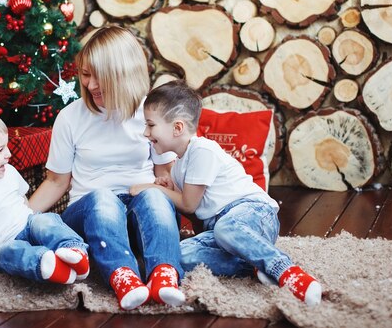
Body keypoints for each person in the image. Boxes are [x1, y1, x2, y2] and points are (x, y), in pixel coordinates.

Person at [28, 26, 185, 310]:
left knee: (153, 196)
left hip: (139, 213)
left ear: (123, 73)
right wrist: (19, 219)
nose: (89, 85)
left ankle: (165, 274)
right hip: (90, 214)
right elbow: (55, 182)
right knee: (103, 198)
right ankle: (122, 276)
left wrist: (171, 193)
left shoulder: (150, 114)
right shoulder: (70, 118)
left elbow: (165, 175)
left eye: (99, 76)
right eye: (85, 74)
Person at [132, 80, 323, 306]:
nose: (145, 132)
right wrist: (169, 187)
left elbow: (189, 205)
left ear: (177, 128)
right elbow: (196, 214)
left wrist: (152, 188)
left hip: (252, 214)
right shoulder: (179, 165)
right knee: (178, 255)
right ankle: (253, 264)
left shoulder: (202, 150)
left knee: (226, 228)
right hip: (222, 231)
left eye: (151, 125)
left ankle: (285, 269)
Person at [0, 111, 89, 292]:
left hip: (28, 225)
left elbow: (23, 202)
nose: (8, 154)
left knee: (45, 220)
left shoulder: (9, 171)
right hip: (2, 245)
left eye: (6, 146)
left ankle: (75, 251)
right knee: (15, 252)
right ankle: (47, 264)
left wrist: (35, 225)